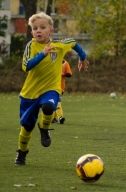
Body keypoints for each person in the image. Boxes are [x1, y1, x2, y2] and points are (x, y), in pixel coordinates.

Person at [15, 12, 89, 165]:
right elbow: (26, 66)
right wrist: (42, 54)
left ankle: (44, 127)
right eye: (35, 28)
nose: (38, 31)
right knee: (27, 127)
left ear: (51, 30)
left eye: (42, 27)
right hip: (29, 94)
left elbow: (74, 43)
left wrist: (82, 57)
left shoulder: (59, 45)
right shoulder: (31, 46)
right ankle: (22, 153)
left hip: (51, 89)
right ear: (31, 32)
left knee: (49, 106)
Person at [53, 59, 73, 124]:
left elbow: (69, 74)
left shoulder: (65, 63)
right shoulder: (51, 61)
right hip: (51, 86)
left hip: (60, 87)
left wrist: (63, 74)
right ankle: (58, 117)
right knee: (56, 102)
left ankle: (56, 118)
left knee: (56, 101)